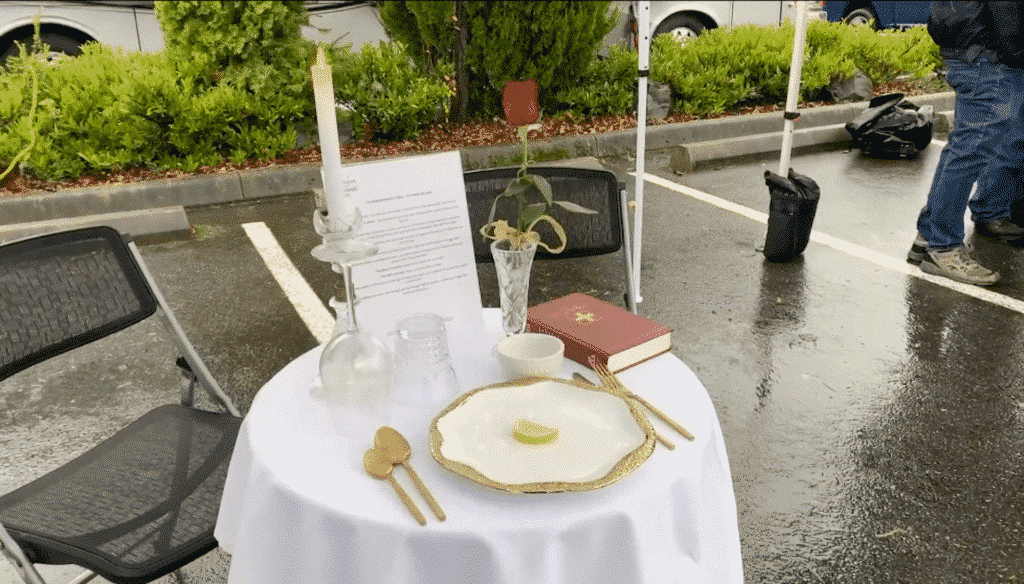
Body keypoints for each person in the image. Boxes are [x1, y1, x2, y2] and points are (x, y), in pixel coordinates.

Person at [908, 1, 1024, 286]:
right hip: (988, 55)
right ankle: (942, 246)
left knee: (964, 148)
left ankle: (930, 236)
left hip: (973, 49)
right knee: (969, 151)